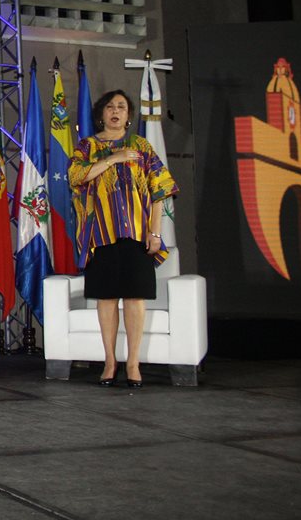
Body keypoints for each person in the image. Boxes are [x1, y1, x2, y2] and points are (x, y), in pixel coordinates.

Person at [69, 89, 178, 388]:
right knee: (106, 298)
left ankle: (133, 363)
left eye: (121, 107)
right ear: (100, 114)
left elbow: (160, 190)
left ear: (129, 116)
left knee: (134, 297)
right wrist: (113, 158)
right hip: (100, 234)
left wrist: (155, 232)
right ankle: (109, 362)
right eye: (109, 107)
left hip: (137, 234)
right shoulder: (87, 146)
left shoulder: (141, 146)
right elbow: (76, 177)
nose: (115, 111)